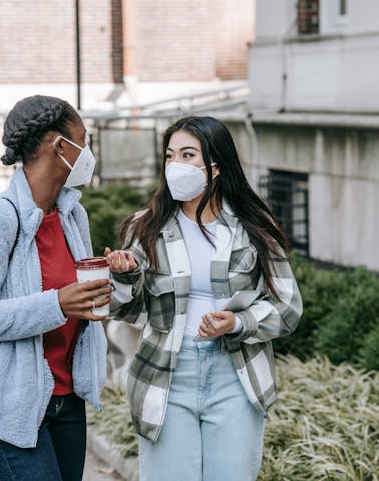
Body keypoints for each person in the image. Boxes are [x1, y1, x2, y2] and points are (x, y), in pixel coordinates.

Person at [104, 116, 303, 481]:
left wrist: (238, 322)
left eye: (187, 154)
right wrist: (124, 276)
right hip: (166, 373)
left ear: (215, 167)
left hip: (235, 374)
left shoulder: (253, 229)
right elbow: (126, 311)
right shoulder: (145, 228)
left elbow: (288, 307)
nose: (175, 165)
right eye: (169, 155)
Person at [0, 95, 110, 481]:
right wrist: (57, 304)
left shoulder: (73, 214)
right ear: (60, 146)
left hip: (68, 399)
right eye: (83, 140)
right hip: (14, 402)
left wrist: (115, 281)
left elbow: (78, 301)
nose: (87, 151)